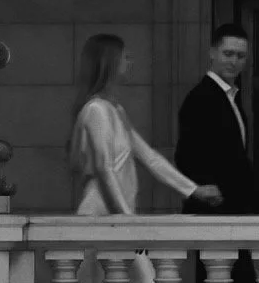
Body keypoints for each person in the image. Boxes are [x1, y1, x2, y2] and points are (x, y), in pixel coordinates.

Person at [175, 22, 259, 283]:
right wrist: (203, 189)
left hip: (234, 213)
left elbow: (237, 160)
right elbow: (186, 155)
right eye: (228, 53)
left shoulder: (231, 99)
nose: (234, 61)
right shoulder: (201, 97)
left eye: (241, 55)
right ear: (212, 53)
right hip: (212, 212)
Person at [69, 33, 220, 216]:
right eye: (125, 57)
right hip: (99, 215)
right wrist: (127, 219)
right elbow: (104, 168)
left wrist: (194, 190)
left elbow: (150, 157)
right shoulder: (96, 110)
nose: (130, 62)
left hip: (116, 216)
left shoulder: (116, 110)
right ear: (110, 61)